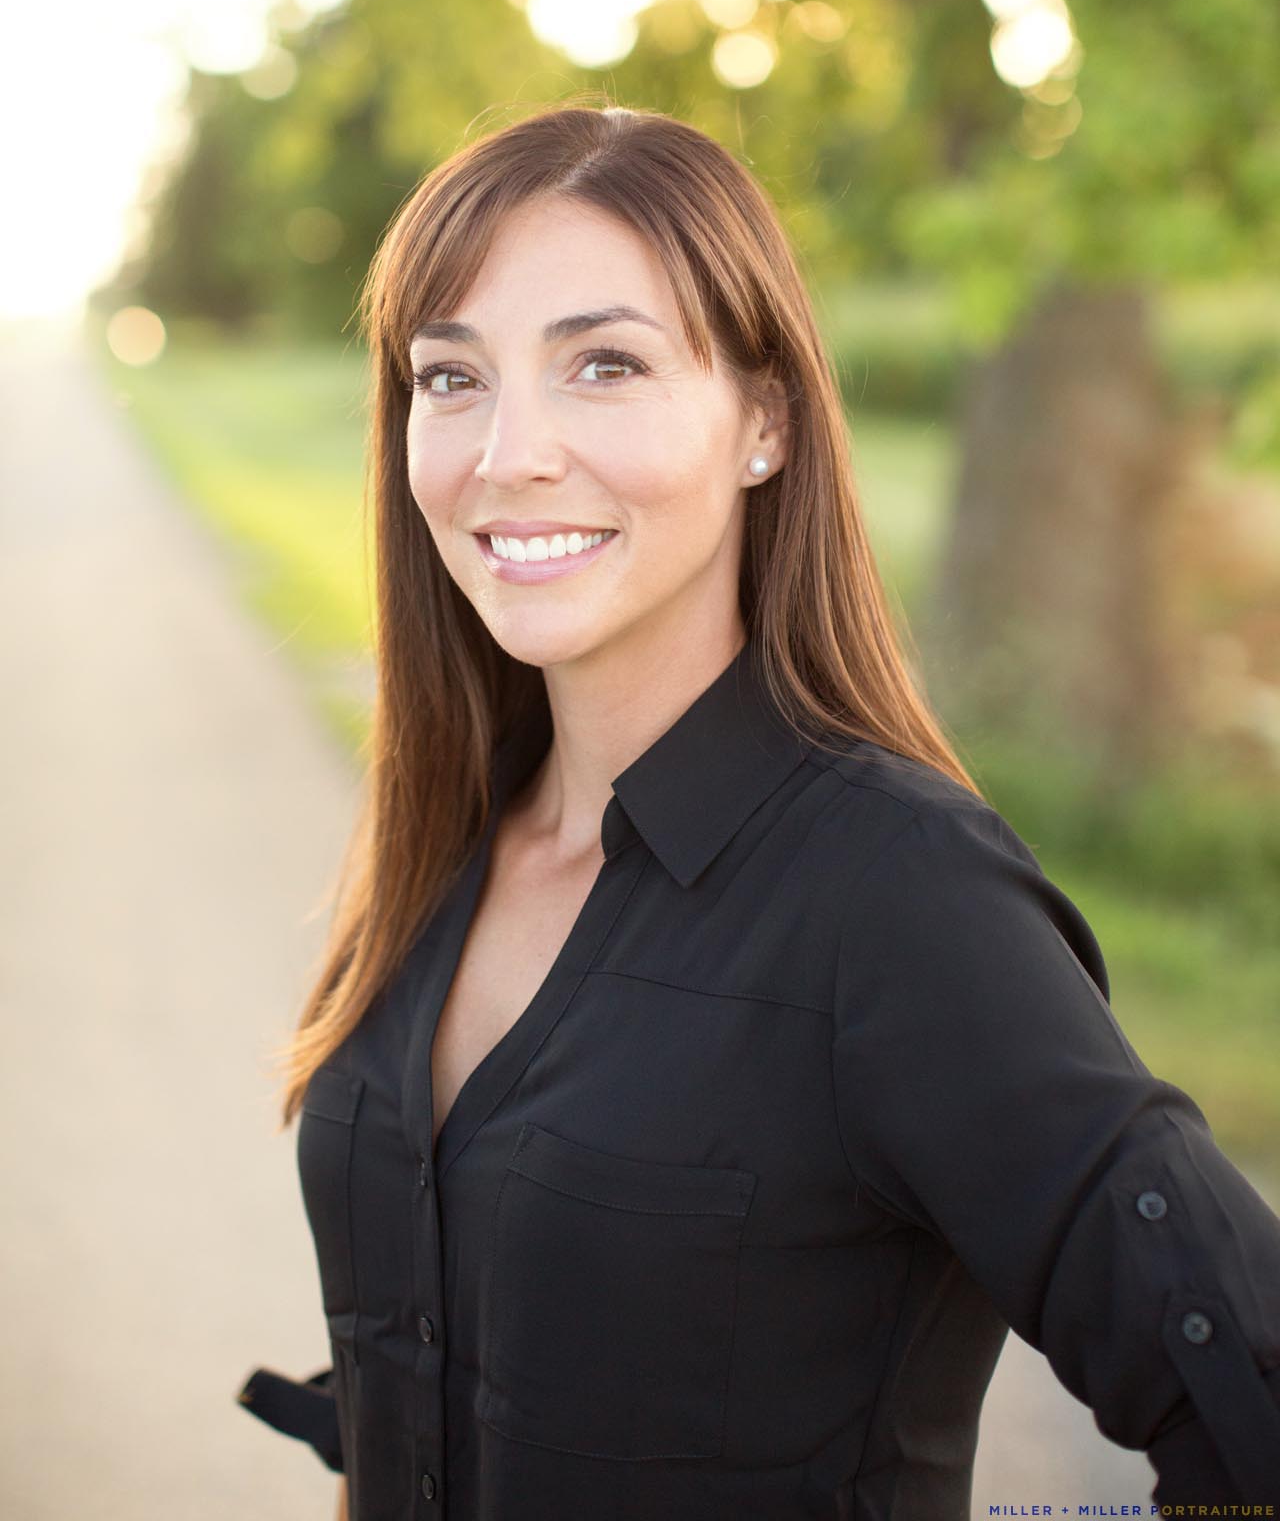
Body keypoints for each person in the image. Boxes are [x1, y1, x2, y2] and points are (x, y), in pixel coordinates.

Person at [236, 102, 1280, 1517]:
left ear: (765, 424)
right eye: (451, 377)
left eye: (604, 364)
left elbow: (1245, 1394)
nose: (508, 453)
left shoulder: (900, 902)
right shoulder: (448, 843)